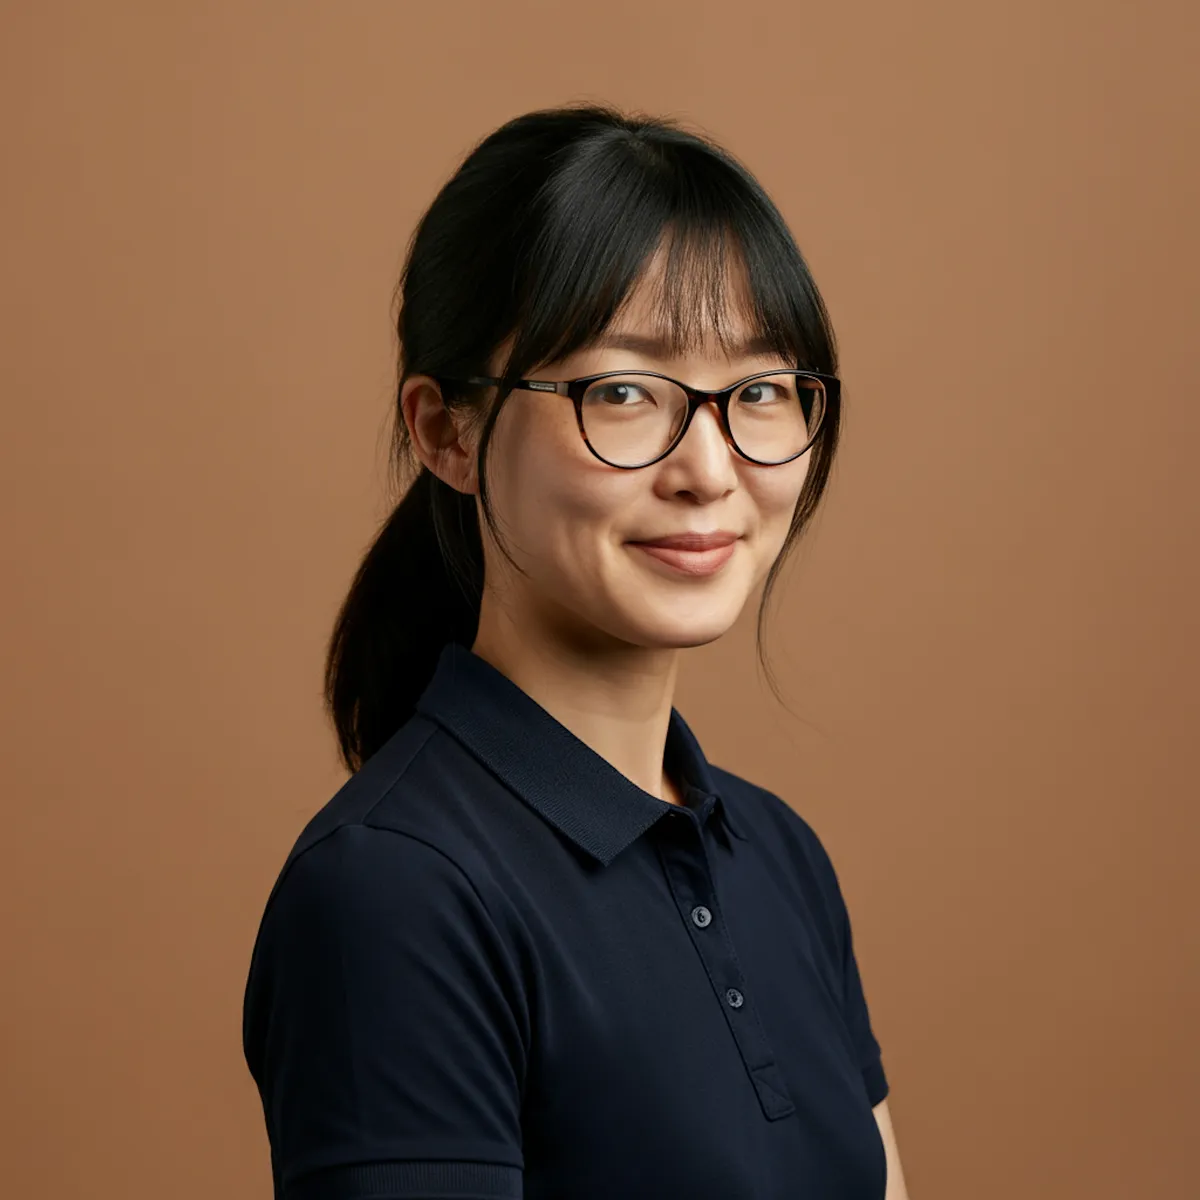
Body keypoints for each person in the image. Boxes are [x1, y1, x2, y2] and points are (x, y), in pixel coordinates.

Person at [242, 104, 911, 1200]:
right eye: (625, 392)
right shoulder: (393, 891)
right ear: (446, 433)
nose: (709, 467)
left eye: (759, 392)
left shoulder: (782, 858)